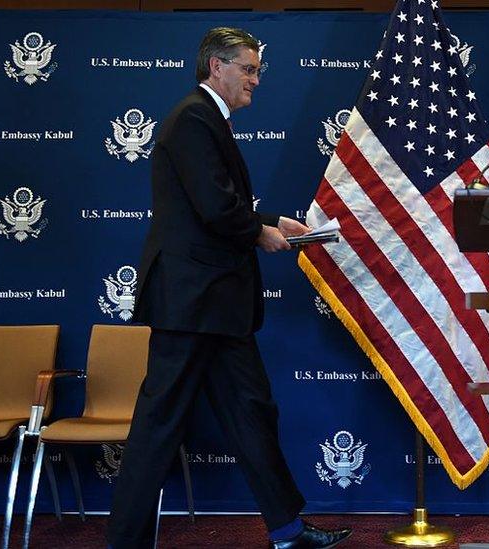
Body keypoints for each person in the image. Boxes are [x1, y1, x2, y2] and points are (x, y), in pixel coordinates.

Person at [106, 27, 351, 549]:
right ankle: (124, 541)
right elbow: (216, 209)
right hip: (193, 303)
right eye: (249, 69)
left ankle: (287, 530)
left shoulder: (205, 117)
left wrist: (275, 221)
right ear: (216, 66)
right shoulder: (194, 117)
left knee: (251, 412)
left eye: (258, 70)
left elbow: (216, 205)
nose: (256, 81)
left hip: (216, 305)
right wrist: (259, 233)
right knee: (159, 423)